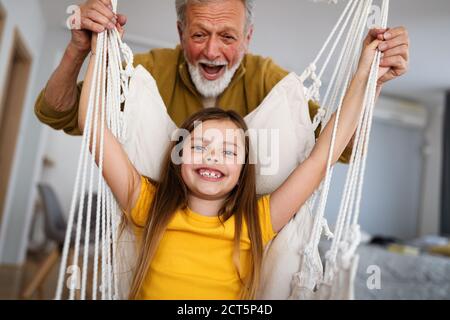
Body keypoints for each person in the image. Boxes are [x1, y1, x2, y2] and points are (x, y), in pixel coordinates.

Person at [79, 29, 387, 299]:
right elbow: (91, 126)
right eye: (199, 146)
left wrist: (365, 77)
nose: (213, 156)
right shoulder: (148, 203)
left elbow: (322, 158)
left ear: (242, 173)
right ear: (178, 158)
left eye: (229, 152)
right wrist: (98, 50)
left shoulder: (257, 221)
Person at [34, 0, 410, 164]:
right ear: (180, 33)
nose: (212, 51)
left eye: (228, 37)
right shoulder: (144, 75)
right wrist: (78, 50)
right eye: (199, 35)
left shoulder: (271, 83)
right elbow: (57, 114)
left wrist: (371, 82)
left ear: (247, 38)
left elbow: (340, 148)